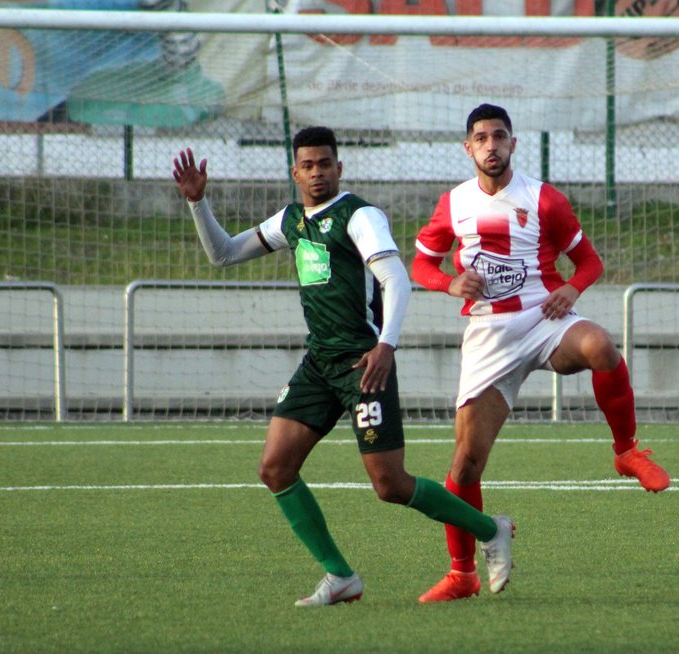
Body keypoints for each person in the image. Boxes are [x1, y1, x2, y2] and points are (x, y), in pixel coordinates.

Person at [172, 126, 513, 607]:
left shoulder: (359, 215)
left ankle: (490, 529)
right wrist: (197, 202)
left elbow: (396, 279)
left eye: (325, 164)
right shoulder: (291, 220)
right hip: (319, 363)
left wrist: (386, 346)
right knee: (275, 468)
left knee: (390, 485)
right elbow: (224, 253)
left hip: (364, 363)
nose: (317, 173)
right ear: (295, 172)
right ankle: (340, 575)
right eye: (308, 166)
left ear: (339, 168)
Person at [410, 103, 669, 603]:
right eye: (481, 138)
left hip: (545, 322)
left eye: (499, 136)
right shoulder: (454, 204)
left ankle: (627, 452)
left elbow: (589, 262)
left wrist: (571, 289)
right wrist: (449, 283)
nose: (490, 145)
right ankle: (462, 573)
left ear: (513, 143)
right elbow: (421, 264)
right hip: (489, 337)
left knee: (600, 345)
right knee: (464, 466)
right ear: (468, 148)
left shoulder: (544, 199)